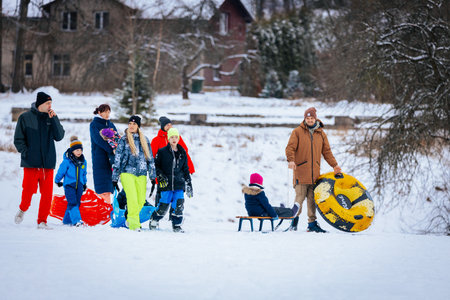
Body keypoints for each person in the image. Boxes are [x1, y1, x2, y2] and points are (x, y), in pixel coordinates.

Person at [13, 91, 65, 229]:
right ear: (40, 104)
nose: (50, 106)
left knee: (47, 195)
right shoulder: (25, 117)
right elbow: (18, 139)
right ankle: (22, 209)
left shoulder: (51, 118)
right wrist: (27, 153)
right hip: (31, 164)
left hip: (47, 164)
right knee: (28, 192)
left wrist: (54, 119)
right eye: (48, 103)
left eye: (51, 103)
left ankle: (42, 221)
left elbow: (59, 136)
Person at [285, 107, 342, 233]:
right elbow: (290, 148)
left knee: (312, 200)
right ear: (304, 119)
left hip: (315, 174)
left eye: (311, 118)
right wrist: (291, 160)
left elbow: (327, 152)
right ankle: (293, 222)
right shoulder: (297, 132)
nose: (309, 120)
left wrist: (335, 165)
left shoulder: (321, 134)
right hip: (300, 172)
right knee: (299, 198)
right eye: (307, 118)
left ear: (315, 119)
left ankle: (312, 224)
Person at [112, 115, 156, 231]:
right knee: (131, 199)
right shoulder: (123, 139)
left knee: (140, 201)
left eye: (134, 124)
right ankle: (134, 224)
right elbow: (117, 158)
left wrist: (152, 177)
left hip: (141, 173)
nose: (131, 126)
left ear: (138, 126)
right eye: (130, 123)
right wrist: (115, 177)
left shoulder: (145, 140)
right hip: (126, 172)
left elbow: (150, 159)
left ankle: (129, 219)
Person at [149, 128, 193, 232]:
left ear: (178, 138)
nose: (174, 139)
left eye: (176, 137)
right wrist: (160, 175)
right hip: (166, 184)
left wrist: (189, 183)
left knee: (179, 204)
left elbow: (186, 169)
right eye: (172, 137)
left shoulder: (182, 152)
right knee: (163, 205)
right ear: (168, 139)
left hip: (179, 183)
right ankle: (154, 220)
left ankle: (176, 225)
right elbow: (156, 165)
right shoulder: (162, 152)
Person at [150, 116, 195, 206]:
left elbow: (184, 153)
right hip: (162, 174)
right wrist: (154, 174)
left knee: (177, 198)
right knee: (162, 196)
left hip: (176, 174)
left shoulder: (177, 138)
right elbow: (152, 157)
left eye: (170, 124)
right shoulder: (156, 140)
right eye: (167, 125)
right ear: (162, 126)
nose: (169, 126)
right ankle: (157, 214)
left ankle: (173, 216)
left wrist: (190, 168)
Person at [54, 136, 87, 226]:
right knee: (72, 202)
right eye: (77, 150)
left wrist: (84, 183)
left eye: (80, 150)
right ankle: (77, 221)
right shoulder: (67, 161)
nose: (79, 152)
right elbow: (61, 171)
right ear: (72, 150)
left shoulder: (83, 162)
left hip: (79, 185)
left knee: (77, 203)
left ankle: (67, 220)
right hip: (69, 185)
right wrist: (57, 181)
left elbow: (84, 173)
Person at [90, 104, 118, 204]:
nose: (107, 114)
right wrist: (110, 149)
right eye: (105, 111)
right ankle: (102, 211)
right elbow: (98, 140)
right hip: (99, 158)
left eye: (109, 112)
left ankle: (108, 210)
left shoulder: (111, 124)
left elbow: (116, 137)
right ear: (99, 112)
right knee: (102, 188)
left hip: (110, 159)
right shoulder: (94, 124)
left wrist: (117, 149)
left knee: (109, 187)